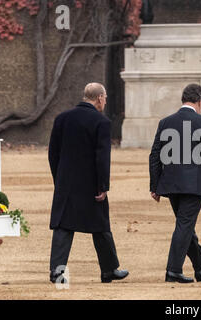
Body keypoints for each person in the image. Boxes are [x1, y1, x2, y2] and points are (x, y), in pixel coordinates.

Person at [149, 84, 201, 283]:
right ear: (200, 101)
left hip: (170, 184)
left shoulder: (165, 122)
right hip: (192, 184)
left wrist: (155, 186)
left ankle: (200, 263)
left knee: (184, 225)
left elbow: (154, 155)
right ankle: (173, 270)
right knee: (185, 226)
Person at [48, 83, 128, 284]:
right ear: (99, 98)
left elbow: (53, 153)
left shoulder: (62, 118)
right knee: (101, 226)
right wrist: (103, 186)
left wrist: (59, 179)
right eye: (106, 97)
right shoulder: (101, 122)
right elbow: (102, 158)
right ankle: (109, 270)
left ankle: (57, 272)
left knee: (63, 227)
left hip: (65, 183)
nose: (105, 101)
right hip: (91, 185)